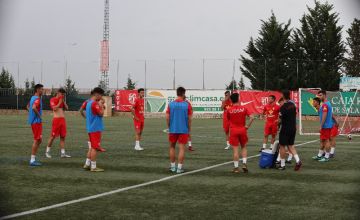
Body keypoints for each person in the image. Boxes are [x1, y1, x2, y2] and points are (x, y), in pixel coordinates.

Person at [166, 87, 192, 174]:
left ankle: (173, 167)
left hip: (173, 129)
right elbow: (189, 118)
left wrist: (169, 126)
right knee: (181, 149)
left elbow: (167, 117)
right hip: (183, 129)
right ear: (183, 93)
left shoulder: (171, 104)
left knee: (172, 147)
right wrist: (189, 128)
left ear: (177, 93)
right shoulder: (187, 104)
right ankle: (179, 168)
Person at [227, 93, 254, 173]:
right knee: (244, 147)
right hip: (242, 130)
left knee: (235, 150)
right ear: (238, 99)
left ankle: (236, 168)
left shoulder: (229, 110)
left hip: (233, 130)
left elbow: (229, 119)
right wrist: (247, 126)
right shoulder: (244, 108)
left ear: (231, 100)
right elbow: (252, 117)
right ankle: (244, 164)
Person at [83, 87, 106, 172]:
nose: (101, 97)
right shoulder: (94, 103)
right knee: (94, 148)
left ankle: (87, 164)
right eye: (101, 95)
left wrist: (101, 105)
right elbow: (101, 114)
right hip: (95, 128)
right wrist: (101, 106)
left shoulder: (89, 102)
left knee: (92, 147)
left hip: (91, 127)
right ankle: (93, 167)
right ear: (97, 94)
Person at [277, 90, 302, 171]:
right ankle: (298, 160)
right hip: (293, 128)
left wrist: (277, 124)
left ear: (283, 96)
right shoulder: (293, 105)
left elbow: (280, 120)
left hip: (285, 128)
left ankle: (282, 165)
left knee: (282, 146)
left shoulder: (283, 107)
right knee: (290, 145)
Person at [45, 88, 71, 158]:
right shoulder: (52, 99)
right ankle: (47, 152)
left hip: (62, 120)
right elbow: (54, 108)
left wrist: (63, 101)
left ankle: (63, 153)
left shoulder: (62, 100)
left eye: (63, 95)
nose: (62, 96)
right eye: (62, 94)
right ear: (58, 93)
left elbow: (67, 108)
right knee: (52, 137)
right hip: (56, 120)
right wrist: (59, 101)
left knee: (63, 137)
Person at [312, 90, 333, 162]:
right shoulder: (326, 104)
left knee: (326, 141)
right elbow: (322, 114)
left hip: (326, 126)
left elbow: (324, 115)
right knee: (322, 140)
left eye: (320, 95)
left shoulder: (325, 105)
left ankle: (327, 156)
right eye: (318, 95)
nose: (319, 97)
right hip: (327, 125)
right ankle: (319, 155)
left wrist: (321, 126)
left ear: (324, 95)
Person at [26, 84, 44, 166]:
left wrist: (31, 115)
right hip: (36, 122)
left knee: (39, 140)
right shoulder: (37, 99)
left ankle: (33, 158)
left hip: (34, 122)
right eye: (41, 89)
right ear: (37, 90)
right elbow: (33, 107)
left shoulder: (32, 98)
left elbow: (28, 106)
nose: (42, 91)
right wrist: (39, 116)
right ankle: (32, 160)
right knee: (37, 140)